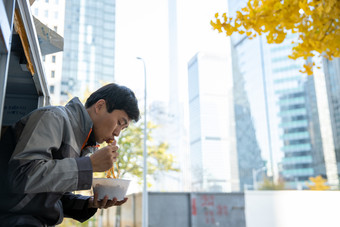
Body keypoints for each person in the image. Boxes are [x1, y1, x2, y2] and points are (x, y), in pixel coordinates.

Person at [0, 83, 140, 226]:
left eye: (123, 128)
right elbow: (21, 175)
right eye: (118, 123)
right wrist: (89, 165)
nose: (117, 133)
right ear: (100, 106)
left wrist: (90, 203)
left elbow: (48, 195)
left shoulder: (82, 143)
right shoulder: (53, 117)